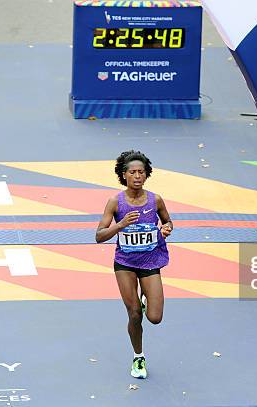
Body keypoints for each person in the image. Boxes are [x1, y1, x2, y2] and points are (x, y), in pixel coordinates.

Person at [95, 150, 173, 379]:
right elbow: (99, 235)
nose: (137, 176)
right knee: (135, 314)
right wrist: (120, 225)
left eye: (141, 172)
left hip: (150, 261)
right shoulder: (115, 202)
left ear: (146, 175)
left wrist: (167, 228)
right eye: (133, 172)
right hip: (125, 263)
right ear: (124, 175)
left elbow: (168, 221)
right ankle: (138, 357)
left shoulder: (155, 199)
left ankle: (146, 298)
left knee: (155, 318)